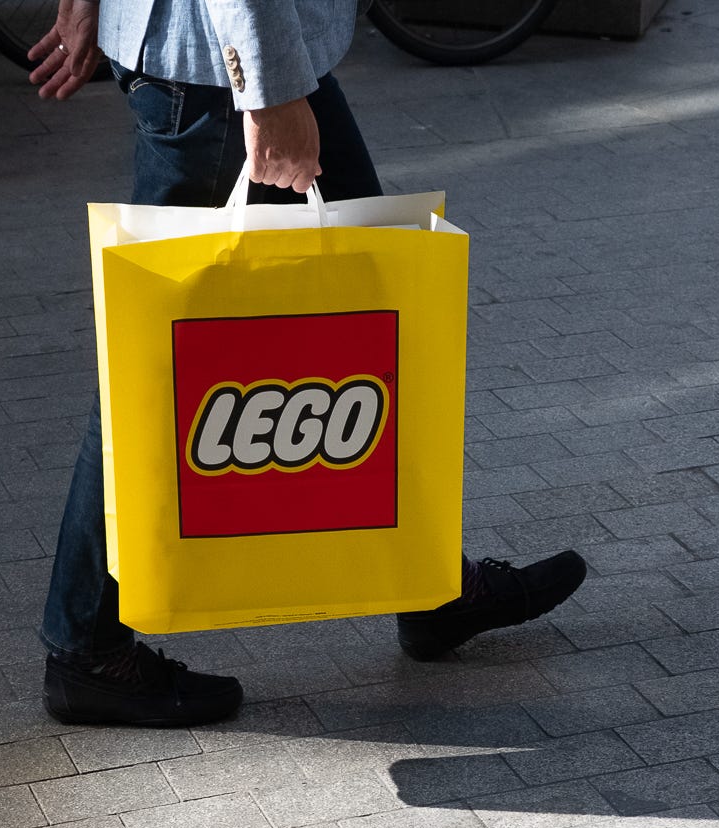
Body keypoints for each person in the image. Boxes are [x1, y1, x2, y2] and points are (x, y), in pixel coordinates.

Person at [30, 0, 587, 728]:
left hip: (254, 51)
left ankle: (428, 586)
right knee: (150, 372)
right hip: (227, 68)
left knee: (373, 291)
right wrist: (268, 93)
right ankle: (87, 650)